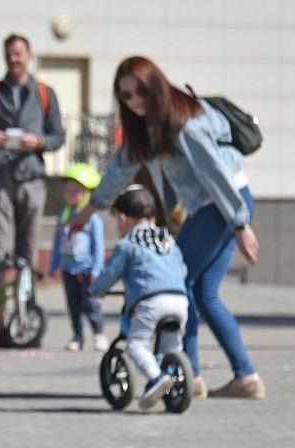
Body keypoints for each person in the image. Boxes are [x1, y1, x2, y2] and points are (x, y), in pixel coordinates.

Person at [68, 56, 264, 400]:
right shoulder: (147, 130)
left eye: (140, 92)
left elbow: (214, 173)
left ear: (155, 86)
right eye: (126, 96)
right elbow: (118, 171)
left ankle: (190, 374)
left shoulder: (182, 122)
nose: (134, 101)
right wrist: (89, 210)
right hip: (218, 207)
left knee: (176, 282)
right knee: (204, 293)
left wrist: (240, 224)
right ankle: (244, 376)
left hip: (221, 205)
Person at [0, 33, 66, 348]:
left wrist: (38, 142)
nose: (14, 59)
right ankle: (1, 326)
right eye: (9, 53)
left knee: (28, 253)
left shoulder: (44, 93)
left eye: (19, 53)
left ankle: (24, 321)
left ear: (29, 56)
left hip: (32, 178)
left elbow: (58, 136)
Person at [91, 185, 188, 410]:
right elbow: (183, 269)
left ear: (123, 218)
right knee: (171, 347)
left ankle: (157, 378)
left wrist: (95, 290)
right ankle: (172, 377)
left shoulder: (128, 244)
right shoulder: (168, 240)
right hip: (180, 300)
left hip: (151, 301)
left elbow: (111, 273)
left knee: (135, 344)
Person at [48, 162, 107, 352]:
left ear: (87, 193)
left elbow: (98, 246)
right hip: (68, 269)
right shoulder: (63, 215)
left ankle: (98, 333)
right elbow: (57, 241)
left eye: (76, 190)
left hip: (86, 269)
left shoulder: (92, 219)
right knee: (73, 305)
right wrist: (54, 264)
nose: (71, 194)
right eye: (68, 190)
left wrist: (97, 269)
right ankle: (77, 336)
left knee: (90, 303)